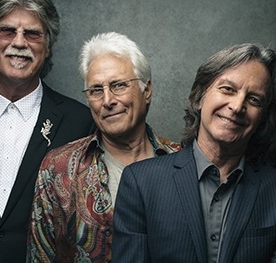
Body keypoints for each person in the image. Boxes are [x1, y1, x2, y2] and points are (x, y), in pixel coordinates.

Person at [112, 43, 276, 263]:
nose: (237, 106)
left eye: (254, 99)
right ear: (198, 98)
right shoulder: (141, 182)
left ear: (262, 118)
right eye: (227, 89)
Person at [26, 31, 181, 262]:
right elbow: (40, 257)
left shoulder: (183, 161)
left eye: (119, 85)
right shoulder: (58, 168)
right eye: (96, 90)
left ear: (146, 90)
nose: (108, 101)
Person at [0, 0, 95, 263]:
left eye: (32, 34)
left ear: (48, 47)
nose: (19, 42)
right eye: (7, 31)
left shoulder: (81, 122)